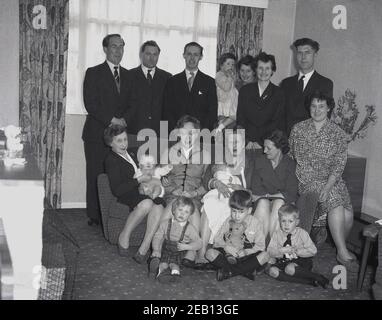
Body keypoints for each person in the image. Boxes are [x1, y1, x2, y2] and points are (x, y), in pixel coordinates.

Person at [289, 90, 358, 272]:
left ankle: (337, 246)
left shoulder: (338, 133)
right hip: (307, 179)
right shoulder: (298, 129)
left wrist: (328, 185)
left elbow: (339, 164)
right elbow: (291, 155)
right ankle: (342, 252)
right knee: (336, 204)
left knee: (348, 214)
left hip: (332, 179)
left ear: (329, 108)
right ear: (308, 108)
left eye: (321, 106)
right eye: (313, 106)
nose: (317, 110)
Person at [82, 34, 131, 226]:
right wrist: (113, 119)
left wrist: (124, 120)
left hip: (120, 136)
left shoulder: (129, 75)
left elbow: (133, 103)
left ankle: (111, 215)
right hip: (96, 134)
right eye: (114, 46)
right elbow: (90, 103)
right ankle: (95, 215)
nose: (118, 51)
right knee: (95, 174)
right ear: (105, 49)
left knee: (115, 176)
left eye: (121, 46)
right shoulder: (93, 72)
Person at [103, 125, 164, 264]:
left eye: (125, 139)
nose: (124, 143)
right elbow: (117, 189)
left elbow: (148, 165)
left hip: (144, 189)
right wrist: (138, 180)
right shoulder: (111, 160)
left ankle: (144, 246)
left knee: (159, 205)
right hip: (127, 193)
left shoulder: (133, 153)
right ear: (110, 143)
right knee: (148, 203)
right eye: (119, 141)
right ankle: (124, 235)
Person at [195, 126, 256, 267]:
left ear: (244, 142)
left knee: (228, 208)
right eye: (230, 141)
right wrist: (215, 182)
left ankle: (223, 251)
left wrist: (242, 189)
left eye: (238, 141)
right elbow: (206, 180)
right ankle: (202, 251)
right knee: (209, 204)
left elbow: (255, 190)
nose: (234, 145)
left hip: (238, 199)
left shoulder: (250, 162)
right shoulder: (219, 157)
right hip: (217, 194)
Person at [159, 115, 210, 267]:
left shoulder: (205, 154)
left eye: (192, 132)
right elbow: (163, 178)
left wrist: (194, 193)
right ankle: (158, 250)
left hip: (193, 195)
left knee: (192, 210)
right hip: (173, 195)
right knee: (172, 207)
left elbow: (207, 182)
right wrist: (173, 190)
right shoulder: (168, 152)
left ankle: (192, 252)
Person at [205, 190, 270, 281]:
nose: (236, 216)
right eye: (234, 211)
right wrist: (226, 247)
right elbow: (217, 240)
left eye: (241, 212)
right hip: (229, 255)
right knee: (209, 253)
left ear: (249, 210)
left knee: (265, 255)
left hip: (246, 257)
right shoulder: (229, 220)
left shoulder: (255, 223)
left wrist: (246, 252)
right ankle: (245, 271)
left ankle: (229, 272)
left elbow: (261, 246)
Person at [267, 204, 329, 288]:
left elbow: (313, 250)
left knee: (289, 269)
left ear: (297, 222)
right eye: (283, 221)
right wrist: (281, 250)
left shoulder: (302, 233)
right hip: (284, 261)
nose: (286, 225)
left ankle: (318, 277)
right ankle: (308, 282)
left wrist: (299, 251)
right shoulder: (277, 234)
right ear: (279, 221)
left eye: (290, 221)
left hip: (301, 261)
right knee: (272, 271)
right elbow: (270, 251)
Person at [251, 129, 298, 239]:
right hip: (262, 203)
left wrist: (267, 196)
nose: (264, 151)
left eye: (269, 148)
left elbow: (291, 193)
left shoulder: (290, 164)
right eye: (264, 147)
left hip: (282, 203)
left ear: (279, 148)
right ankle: (259, 244)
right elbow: (256, 190)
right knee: (263, 202)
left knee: (278, 203)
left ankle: (273, 244)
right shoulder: (260, 161)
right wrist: (272, 196)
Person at [281, 38, 333, 135]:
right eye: (300, 53)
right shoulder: (286, 83)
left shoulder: (325, 84)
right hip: (285, 141)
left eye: (307, 52)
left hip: (309, 141)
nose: (303, 57)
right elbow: (280, 115)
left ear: (315, 55)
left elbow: (324, 118)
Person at [162, 42, 218, 132]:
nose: (192, 58)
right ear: (184, 55)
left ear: (201, 57)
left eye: (196, 54)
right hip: (176, 135)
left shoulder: (209, 82)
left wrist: (201, 132)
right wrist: (176, 130)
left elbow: (212, 112)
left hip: (200, 136)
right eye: (189, 54)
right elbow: (167, 111)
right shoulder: (172, 81)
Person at [237, 52, 285, 150]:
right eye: (260, 68)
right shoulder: (245, 91)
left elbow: (277, 122)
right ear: (255, 70)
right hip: (246, 144)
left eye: (267, 68)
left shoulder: (279, 93)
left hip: (268, 144)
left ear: (272, 71)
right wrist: (247, 141)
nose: (263, 72)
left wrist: (261, 142)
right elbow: (240, 119)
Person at [149, 197, 202, 283]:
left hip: (179, 251)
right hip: (165, 249)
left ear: (189, 215)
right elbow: (157, 237)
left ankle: (175, 275)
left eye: (186, 212)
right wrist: (156, 249)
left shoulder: (190, 228)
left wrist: (187, 246)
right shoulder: (165, 223)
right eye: (180, 210)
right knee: (163, 263)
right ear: (173, 210)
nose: (182, 214)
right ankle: (160, 272)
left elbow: (199, 243)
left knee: (174, 265)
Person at [126, 40, 171, 136]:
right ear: (141, 55)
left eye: (155, 54)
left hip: (160, 133)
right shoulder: (129, 76)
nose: (152, 58)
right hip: (134, 130)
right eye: (148, 54)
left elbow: (169, 108)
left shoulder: (167, 77)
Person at [214, 53, 239, 133]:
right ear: (221, 65)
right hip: (224, 102)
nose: (231, 66)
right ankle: (219, 129)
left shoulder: (229, 75)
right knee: (229, 117)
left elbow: (233, 86)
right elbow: (226, 88)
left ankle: (220, 128)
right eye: (228, 64)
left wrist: (232, 78)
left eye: (233, 64)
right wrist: (229, 77)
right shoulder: (219, 75)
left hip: (231, 102)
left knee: (234, 117)